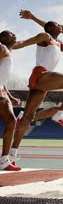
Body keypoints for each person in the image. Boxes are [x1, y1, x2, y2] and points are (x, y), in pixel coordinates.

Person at [9, 22, 63, 165]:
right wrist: (7, 45)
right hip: (41, 74)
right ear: (50, 28)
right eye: (56, 24)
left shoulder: (59, 42)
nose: (60, 26)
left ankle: (12, 154)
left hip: (45, 81)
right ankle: (61, 113)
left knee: (27, 117)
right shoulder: (45, 36)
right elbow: (23, 43)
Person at [0, 30, 21, 171]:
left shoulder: (7, 50)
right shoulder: (1, 47)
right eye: (11, 34)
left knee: (11, 121)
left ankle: (4, 160)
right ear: (3, 38)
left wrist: (10, 96)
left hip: (1, 89)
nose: (14, 35)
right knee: (11, 120)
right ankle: (3, 160)